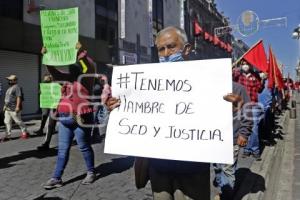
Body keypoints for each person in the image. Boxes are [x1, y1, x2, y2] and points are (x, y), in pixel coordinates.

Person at [41, 42, 97, 189]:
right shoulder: (65, 79)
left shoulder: (87, 78)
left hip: (81, 118)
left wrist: (81, 53)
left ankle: (91, 172)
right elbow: (53, 72)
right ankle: (56, 178)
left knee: (84, 147)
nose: (71, 68)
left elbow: (90, 65)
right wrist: (46, 56)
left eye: (75, 65)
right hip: (65, 118)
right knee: (62, 149)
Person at [213, 82, 253, 200]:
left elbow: (248, 113)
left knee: (227, 170)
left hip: (231, 137)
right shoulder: (209, 86)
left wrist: (244, 134)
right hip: (213, 138)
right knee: (217, 167)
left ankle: (227, 196)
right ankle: (223, 191)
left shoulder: (239, 89)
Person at [234, 60, 264, 160]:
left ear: (250, 65)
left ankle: (255, 150)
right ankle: (247, 149)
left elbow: (260, 89)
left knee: (254, 128)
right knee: (242, 127)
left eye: (247, 64)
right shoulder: (237, 75)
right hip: (241, 106)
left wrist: (263, 79)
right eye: (243, 64)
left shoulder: (255, 76)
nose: (245, 66)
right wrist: (235, 67)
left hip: (253, 105)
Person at [1, 75, 29, 141]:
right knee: (7, 122)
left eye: (11, 80)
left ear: (15, 80)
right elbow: (7, 98)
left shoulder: (17, 87)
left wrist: (17, 107)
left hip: (14, 108)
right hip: (8, 108)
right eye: (9, 80)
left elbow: (18, 97)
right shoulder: (9, 88)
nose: (9, 81)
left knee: (18, 121)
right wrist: (5, 106)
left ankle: (25, 132)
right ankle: (8, 136)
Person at [36, 74, 58, 151]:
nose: (47, 79)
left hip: (54, 105)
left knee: (51, 124)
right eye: (46, 78)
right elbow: (40, 93)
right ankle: (46, 142)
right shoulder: (43, 84)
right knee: (45, 117)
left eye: (49, 78)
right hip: (46, 104)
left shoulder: (56, 84)